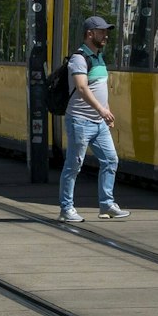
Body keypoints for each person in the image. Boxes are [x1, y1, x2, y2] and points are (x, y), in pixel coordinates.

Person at [58, 15, 128, 224]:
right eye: (102, 32)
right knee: (74, 165)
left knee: (111, 160)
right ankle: (66, 209)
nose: (106, 35)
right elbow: (82, 87)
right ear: (90, 34)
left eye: (106, 31)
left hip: (99, 122)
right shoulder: (79, 58)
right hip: (79, 121)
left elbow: (99, 88)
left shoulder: (99, 57)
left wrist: (107, 112)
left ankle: (107, 205)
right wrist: (101, 110)